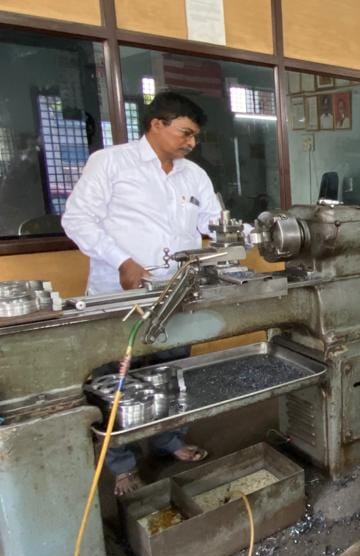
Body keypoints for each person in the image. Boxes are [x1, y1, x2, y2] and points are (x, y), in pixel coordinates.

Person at [62, 92, 220, 495]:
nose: (191, 143)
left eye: (195, 136)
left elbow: (213, 221)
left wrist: (242, 237)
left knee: (171, 372)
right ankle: (122, 464)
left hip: (175, 294)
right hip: (119, 298)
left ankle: (169, 440)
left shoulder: (192, 175)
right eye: (186, 133)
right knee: (119, 384)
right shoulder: (112, 163)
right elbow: (78, 219)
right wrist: (121, 260)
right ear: (156, 124)